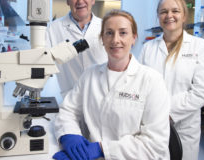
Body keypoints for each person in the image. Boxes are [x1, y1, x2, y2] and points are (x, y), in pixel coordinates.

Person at [53, 9, 170, 160]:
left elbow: (155, 144)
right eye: (109, 33)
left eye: (123, 33)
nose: (115, 40)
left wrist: (101, 148)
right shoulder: (89, 75)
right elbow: (68, 110)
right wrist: (69, 134)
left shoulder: (152, 81)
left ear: (134, 38)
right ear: (102, 38)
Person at [139, 0, 204, 160]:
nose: (169, 15)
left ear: (184, 15)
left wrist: (166, 113)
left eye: (175, 11)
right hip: (151, 126)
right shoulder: (148, 48)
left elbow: (200, 92)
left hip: (184, 127)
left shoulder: (199, 46)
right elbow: (141, 85)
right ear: (158, 16)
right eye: (163, 11)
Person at [46, 0, 107, 97]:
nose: (80, 1)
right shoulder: (52, 28)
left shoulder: (106, 27)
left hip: (101, 97)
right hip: (69, 98)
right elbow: (43, 64)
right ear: (67, 0)